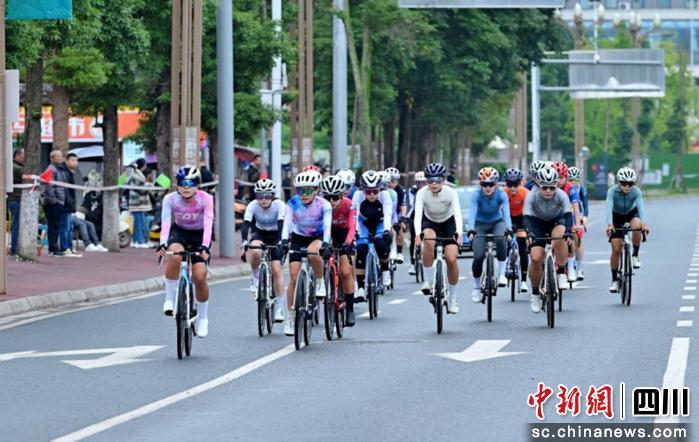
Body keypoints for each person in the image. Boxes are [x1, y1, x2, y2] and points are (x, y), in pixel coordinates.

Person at [156, 166, 215, 337]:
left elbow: (208, 224)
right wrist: (162, 243)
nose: (186, 187)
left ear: (197, 185)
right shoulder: (170, 199)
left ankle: (203, 318)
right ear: (177, 185)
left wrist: (205, 246)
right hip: (179, 233)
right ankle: (169, 299)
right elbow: (165, 223)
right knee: (175, 255)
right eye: (182, 183)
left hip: (199, 236)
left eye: (190, 183)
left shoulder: (206, 199)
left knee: (199, 276)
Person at [281, 171, 332, 336]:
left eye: (308, 190)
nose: (303, 194)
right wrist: (284, 241)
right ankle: (290, 318)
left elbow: (328, 226)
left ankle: (319, 281)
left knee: (312, 252)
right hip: (299, 237)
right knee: (293, 278)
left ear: (316, 190)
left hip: (318, 236)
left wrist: (326, 244)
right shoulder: (292, 203)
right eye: (300, 190)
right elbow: (287, 224)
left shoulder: (324, 204)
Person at [523, 165, 575, 313]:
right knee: (536, 258)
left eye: (552, 188)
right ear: (538, 185)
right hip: (537, 223)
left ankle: (561, 272)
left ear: (556, 186)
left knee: (561, 236)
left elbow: (568, 215)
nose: (548, 191)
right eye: (545, 187)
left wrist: (569, 231)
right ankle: (535, 293)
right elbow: (526, 217)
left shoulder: (561, 195)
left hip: (556, 221)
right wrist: (529, 233)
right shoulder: (531, 195)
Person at [414, 163, 463, 314]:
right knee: (428, 241)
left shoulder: (451, 192)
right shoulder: (422, 193)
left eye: (437, 180)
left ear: (443, 180)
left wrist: (459, 232)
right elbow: (417, 215)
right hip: (430, 222)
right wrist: (418, 233)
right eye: (430, 180)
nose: (434, 183)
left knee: (451, 258)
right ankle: (428, 281)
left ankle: (453, 298)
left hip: (449, 223)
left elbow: (457, 213)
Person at [241, 178, 286, 323]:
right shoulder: (252, 205)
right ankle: (255, 277)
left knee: (276, 270)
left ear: (272, 195)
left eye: (267, 196)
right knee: (255, 250)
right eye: (260, 196)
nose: (264, 199)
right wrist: (244, 241)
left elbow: (282, 224)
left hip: (277, 234)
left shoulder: (280, 205)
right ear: (256, 197)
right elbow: (246, 224)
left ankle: (280, 307)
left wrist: (281, 242)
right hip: (260, 233)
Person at [467, 167, 512, 303]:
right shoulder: (476, 195)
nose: (487, 188)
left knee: (500, 238)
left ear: (496, 184)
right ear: (480, 184)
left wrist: (509, 229)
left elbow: (506, 213)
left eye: (491, 184)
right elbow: (472, 212)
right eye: (484, 184)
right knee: (478, 256)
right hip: (479, 224)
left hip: (497, 222)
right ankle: (476, 287)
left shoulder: (502, 194)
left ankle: (502, 273)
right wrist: (471, 229)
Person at [320, 175, 358, 327]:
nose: (331, 201)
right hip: (326, 235)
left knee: (346, 271)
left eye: (335, 197)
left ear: (341, 195)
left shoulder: (349, 204)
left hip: (344, 236)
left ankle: (350, 309)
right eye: (327, 197)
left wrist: (348, 243)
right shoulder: (319, 205)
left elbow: (353, 226)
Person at [605, 167, 650, 293]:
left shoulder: (636, 192)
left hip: (631, 213)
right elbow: (608, 208)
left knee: (637, 225)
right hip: (616, 216)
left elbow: (641, 208)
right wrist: (610, 225)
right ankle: (614, 279)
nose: (627, 186)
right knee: (616, 249)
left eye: (630, 183)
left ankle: (635, 255)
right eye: (624, 183)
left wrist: (644, 224)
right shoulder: (612, 191)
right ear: (618, 182)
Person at [352, 170, 393, 302]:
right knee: (361, 249)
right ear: (362, 189)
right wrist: (355, 231)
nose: (372, 195)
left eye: (375, 191)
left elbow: (388, 214)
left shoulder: (385, 195)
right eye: (368, 191)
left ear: (380, 188)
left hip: (380, 222)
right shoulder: (357, 195)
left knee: (381, 244)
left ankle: (385, 270)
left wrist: (386, 230)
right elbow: (354, 215)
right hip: (363, 223)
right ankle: (360, 288)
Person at [553, 161, 581, 283]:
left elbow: (575, 207)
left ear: (566, 178)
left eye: (561, 178)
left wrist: (578, 224)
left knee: (572, 235)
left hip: (567, 216)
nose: (558, 181)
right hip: (552, 217)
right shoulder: (548, 187)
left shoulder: (570, 188)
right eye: (556, 177)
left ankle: (570, 266)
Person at [503, 167, 530, 293]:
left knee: (522, 246)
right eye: (510, 184)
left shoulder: (525, 193)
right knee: (505, 241)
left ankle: (523, 280)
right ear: (506, 184)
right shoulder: (503, 192)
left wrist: (526, 228)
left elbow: (528, 212)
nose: (513, 188)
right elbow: (500, 210)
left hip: (521, 217)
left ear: (521, 183)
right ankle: (505, 265)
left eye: (516, 184)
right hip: (507, 216)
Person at [43, 150, 69, 257]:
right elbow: (49, 186)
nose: (60, 158)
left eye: (61, 156)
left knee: (56, 225)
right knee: (53, 226)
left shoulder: (59, 169)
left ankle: (54, 247)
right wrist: (54, 200)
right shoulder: (51, 169)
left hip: (59, 201)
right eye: (58, 156)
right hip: (53, 202)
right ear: (52, 158)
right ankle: (53, 248)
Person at [568, 166, 588, 280]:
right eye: (570, 180)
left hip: (577, 214)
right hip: (567, 215)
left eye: (575, 180)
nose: (573, 182)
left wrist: (584, 218)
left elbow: (585, 205)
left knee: (578, 240)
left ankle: (580, 268)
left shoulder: (581, 189)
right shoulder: (565, 188)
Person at [128, 158, 154, 248]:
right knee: (139, 223)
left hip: (140, 204)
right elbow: (142, 189)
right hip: (138, 204)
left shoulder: (137, 174)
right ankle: (140, 241)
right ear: (144, 165)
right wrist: (150, 185)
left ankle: (138, 240)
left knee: (140, 223)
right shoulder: (135, 175)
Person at [385, 167, 408, 264]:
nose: (391, 184)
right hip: (384, 212)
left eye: (393, 181)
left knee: (400, 227)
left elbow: (403, 205)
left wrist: (403, 218)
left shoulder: (400, 190)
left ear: (397, 181)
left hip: (396, 211)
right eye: (389, 181)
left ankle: (399, 252)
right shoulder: (383, 190)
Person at [61, 152, 82, 257]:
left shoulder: (70, 173)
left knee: (69, 227)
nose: (75, 162)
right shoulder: (64, 173)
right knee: (65, 227)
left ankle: (69, 247)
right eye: (72, 160)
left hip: (69, 205)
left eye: (76, 160)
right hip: (64, 205)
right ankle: (65, 248)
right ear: (67, 161)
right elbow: (64, 191)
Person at [408, 171, 427, 275]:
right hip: (414, 215)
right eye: (419, 183)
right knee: (413, 238)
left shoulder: (429, 190)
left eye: (423, 183)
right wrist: (406, 218)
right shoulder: (412, 191)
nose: (421, 185)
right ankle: (412, 263)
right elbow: (411, 206)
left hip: (427, 215)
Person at [8, 148, 24, 256]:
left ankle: (15, 248)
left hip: (16, 199)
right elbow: (27, 177)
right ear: (17, 155)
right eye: (23, 155)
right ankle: (14, 249)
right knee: (17, 226)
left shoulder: (15, 166)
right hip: (16, 199)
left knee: (17, 225)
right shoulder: (16, 168)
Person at [80, 170, 104, 239]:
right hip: (89, 221)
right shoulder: (88, 194)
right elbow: (84, 206)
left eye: (89, 182)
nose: (87, 184)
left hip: (99, 223)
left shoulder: (102, 195)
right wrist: (79, 213)